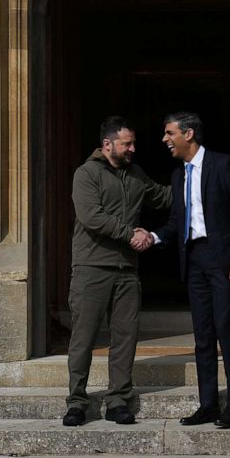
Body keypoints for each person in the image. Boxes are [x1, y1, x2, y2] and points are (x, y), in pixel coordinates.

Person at [150, 111, 230, 429]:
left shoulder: (223, 165)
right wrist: (154, 236)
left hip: (223, 260)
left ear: (189, 134)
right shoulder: (178, 175)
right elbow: (175, 222)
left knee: (227, 331)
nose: (165, 139)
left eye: (170, 133)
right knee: (203, 337)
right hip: (193, 260)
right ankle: (208, 404)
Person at [63, 116, 171, 427]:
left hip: (126, 271)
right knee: (83, 339)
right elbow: (91, 216)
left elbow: (163, 197)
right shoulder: (86, 174)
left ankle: (118, 401)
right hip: (91, 268)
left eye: (132, 143)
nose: (132, 149)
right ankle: (76, 402)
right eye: (127, 144)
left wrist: (195, 179)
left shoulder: (136, 175)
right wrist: (131, 234)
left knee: (125, 338)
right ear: (107, 144)